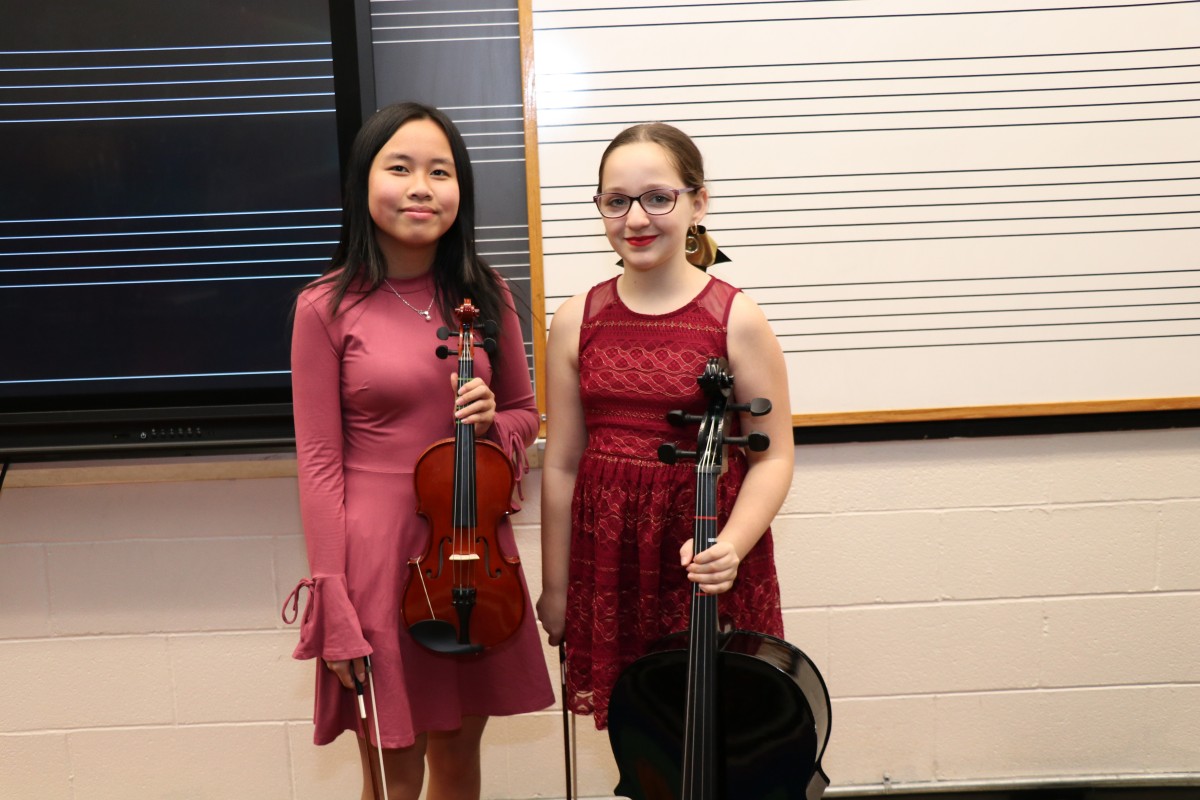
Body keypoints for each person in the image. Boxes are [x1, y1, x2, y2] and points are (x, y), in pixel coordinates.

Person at [284, 102, 553, 800]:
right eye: (399, 167)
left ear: (460, 189)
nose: (420, 187)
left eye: (440, 171)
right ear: (362, 182)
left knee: (460, 767)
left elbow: (526, 415)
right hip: (377, 563)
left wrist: (498, 423)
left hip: (469, 559)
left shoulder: (487, 294)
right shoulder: (324, 307)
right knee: (393, 780)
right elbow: (317, 464)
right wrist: (331, 595)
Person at [536, 122, 794, 729]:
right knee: (644, 738)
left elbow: (774, 456)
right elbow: (563, 462)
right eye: (616, 201)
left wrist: (729, 545)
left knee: (722, 736)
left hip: (702, 552)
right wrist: (556, 587)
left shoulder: (737, 318)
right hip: (611, 562)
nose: (635, 219)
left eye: (658, 197)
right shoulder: (577, 319)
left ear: (697, 202)